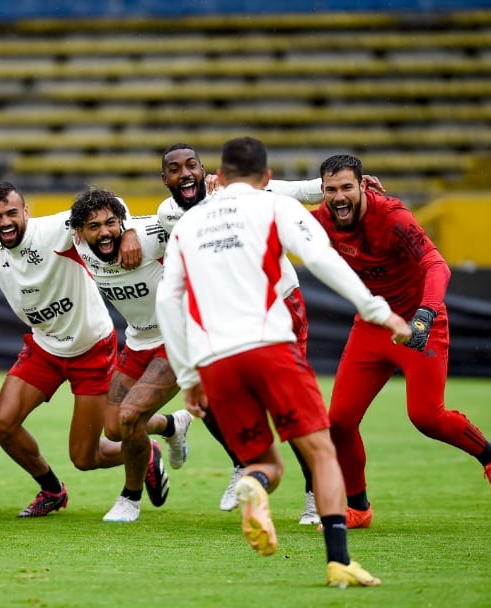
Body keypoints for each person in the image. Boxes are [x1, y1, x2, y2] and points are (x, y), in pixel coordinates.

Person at [156, 136, 412, 587]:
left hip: (216, 360)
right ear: (266, 177)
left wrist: (188, 375)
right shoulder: (272, 205)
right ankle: (338, 562)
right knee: (323, 452)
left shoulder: (186, 227)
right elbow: (321, 258)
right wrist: (375, 309)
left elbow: (167, 302)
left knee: (264, 462)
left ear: (219, 174)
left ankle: (254, 482)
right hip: (271, 345)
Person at [313, 153, 491, 527]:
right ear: (322, 191)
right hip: (373, 325)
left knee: (426, 417)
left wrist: (426, 312)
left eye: (346, 187)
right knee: (339, 420)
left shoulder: (392, 217)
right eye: (331, 189)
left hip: (419, 322)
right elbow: (272, 217)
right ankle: (359, 507)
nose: (339, 197)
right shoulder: (321, 218)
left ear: (363, 185)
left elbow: (437, 264)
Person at [0, 181, 170, 517]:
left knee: (85, 459)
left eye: (12, 213)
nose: (4, 222)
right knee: (1, 423)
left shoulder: (57, 229)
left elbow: (111, 202)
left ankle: (145, 447)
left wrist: (129, 229)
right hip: (44, 349)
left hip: (92, 349)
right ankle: (52, 490)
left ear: (26, 211)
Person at [157, 142, 323, 524]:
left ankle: (315, 493)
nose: (185, 174)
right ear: (164, 178)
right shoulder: (169, 216)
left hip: (278, 305)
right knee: (214, 394)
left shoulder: (240, 193)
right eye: (175, 169)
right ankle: (245, 463)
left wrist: (337, 185)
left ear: (205, 169)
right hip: (224, 314)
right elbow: (144, 229)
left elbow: (297, 190)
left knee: (288, 404)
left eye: (191, 166)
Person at [69, 187, 193, 522]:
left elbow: (184, 222)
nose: (104, 232)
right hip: (137, 341)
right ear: (80, 233)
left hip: (176, 337)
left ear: (122, 222)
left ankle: (130, 498)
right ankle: (171, 425)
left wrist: (135, 231)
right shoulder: (77, 246)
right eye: (94, 226)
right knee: (113, 429)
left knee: (128, 418)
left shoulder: (146, 236)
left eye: (111, 223)